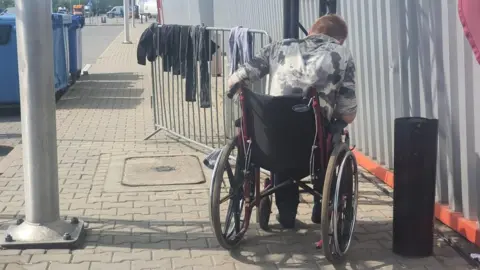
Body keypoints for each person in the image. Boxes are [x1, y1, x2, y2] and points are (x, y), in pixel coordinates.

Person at [227, 14, 357, 228]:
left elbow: (236, 80)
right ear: (340, 39)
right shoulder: (342, 54)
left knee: (282, 139)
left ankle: (286, 215)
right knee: (330, 136)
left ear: (311, 32)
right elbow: (347, 113)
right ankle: (320, 208)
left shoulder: (277, 47)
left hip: (269, 141)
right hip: (312, 144)